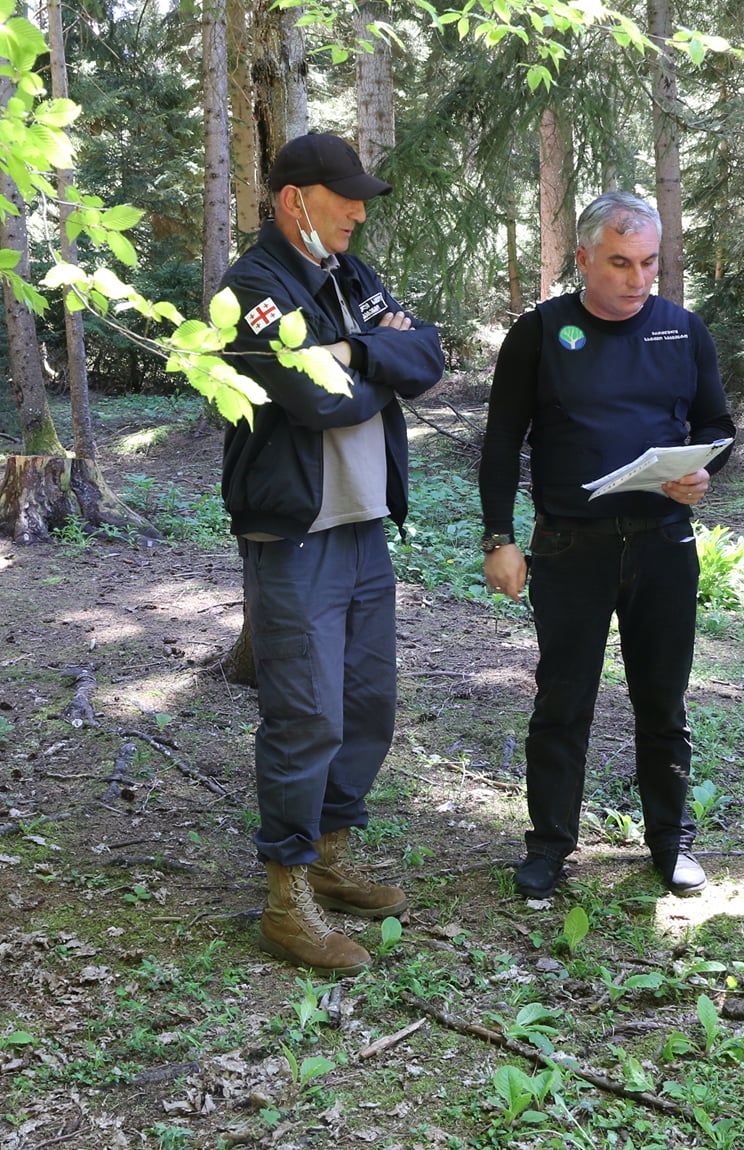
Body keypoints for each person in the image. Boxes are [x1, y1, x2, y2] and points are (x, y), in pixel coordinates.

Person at [219, 132, 444, 976]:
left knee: (366, 702)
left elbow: (426, 356)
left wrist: (353, 351)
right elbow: (319, 402)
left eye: (360, 197)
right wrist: (361, 362)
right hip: (293, 537)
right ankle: (287, 895)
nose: (358, 210)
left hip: (363, 526)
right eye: (343, 195)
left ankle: (333, 850)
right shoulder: (253, 288)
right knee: (304, 713)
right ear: (293, 200)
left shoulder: (350, 279)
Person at [480, 191, 735, 900]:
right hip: (569, 546)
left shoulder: (683, 331)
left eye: (649, 262)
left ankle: (671, 842)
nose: (637, 278)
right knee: (563, 702)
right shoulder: (541, 332)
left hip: (661, 543)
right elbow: (501, 442)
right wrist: (499, 536)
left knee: (664, 701)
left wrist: (700, 475)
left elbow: (718, 428)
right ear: (585, 258)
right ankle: (550, 847)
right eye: (620, 262)